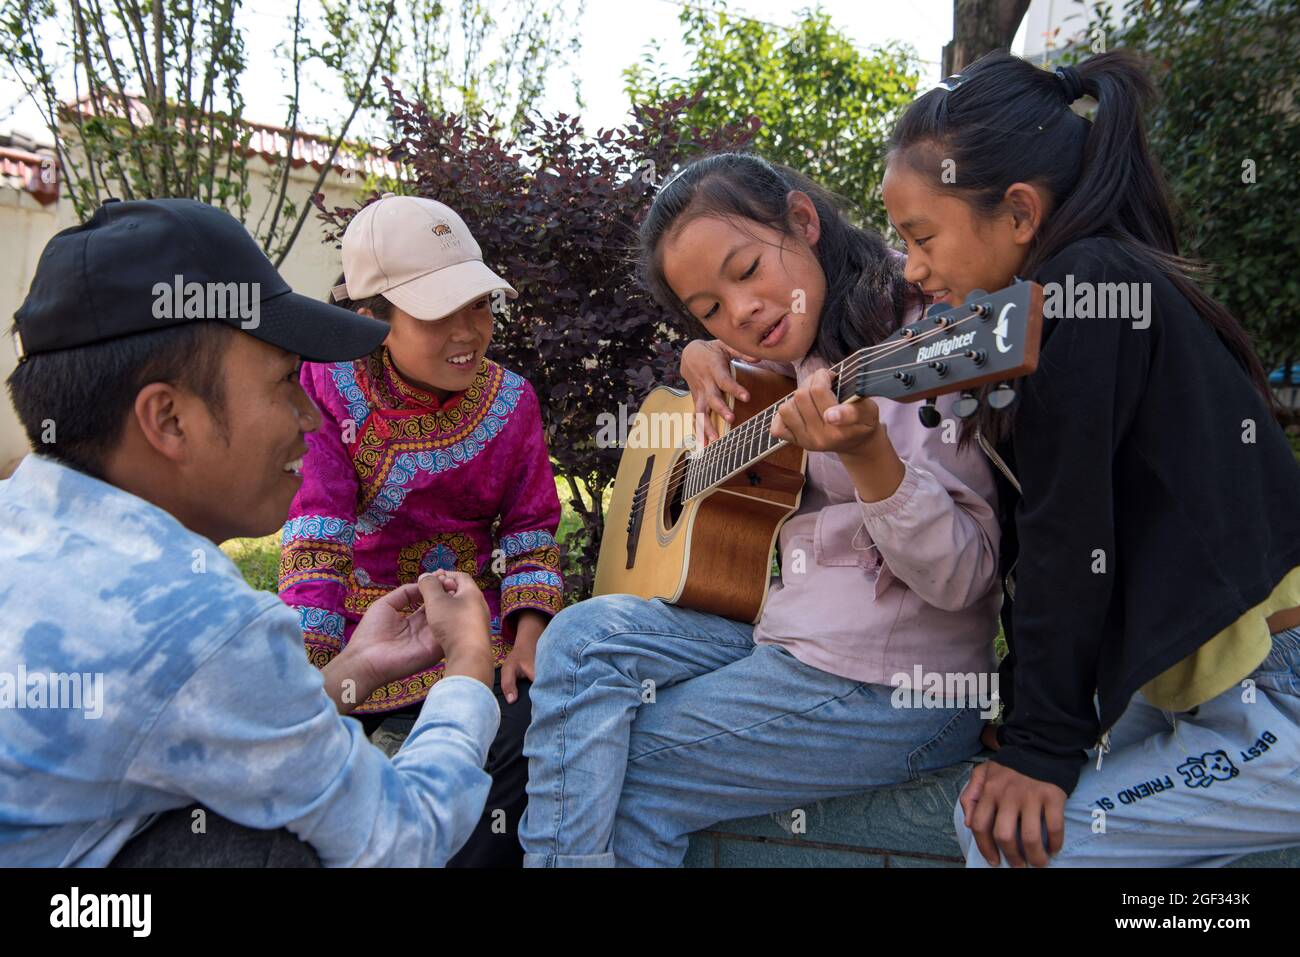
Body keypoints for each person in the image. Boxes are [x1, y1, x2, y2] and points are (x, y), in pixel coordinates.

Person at [519, 152, 1003, 867]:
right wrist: (698, 355)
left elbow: (966, 577)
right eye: (710, 307)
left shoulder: (926, 336)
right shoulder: (800, 342)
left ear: (804, 221)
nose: (741, 311)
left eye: (747, 271)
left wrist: (873, 461)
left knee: (620, 772)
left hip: (893, 686)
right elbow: (739, 378)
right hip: (791, 637)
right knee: (580, 638)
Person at [882, 50, 1300, 866]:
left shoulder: (1085, 283)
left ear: (1020, 213)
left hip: (1274, 690)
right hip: (1201, 680)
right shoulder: (1088, 289)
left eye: (922, 235)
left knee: (1006, 845)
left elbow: (1068, 531)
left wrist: (1040, 747)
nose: (915, 268)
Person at [1, 197, 499, 867]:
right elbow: (400, 838)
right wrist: (466, 668)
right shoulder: (198, 621)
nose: (310, 416)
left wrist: (352, 672)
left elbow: (191, 714)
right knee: (274, 847)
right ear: (169, 419)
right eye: (286, 382)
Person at [279, 193, 563, 866]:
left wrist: (526, 640)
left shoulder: (512, 400)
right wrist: (315, 677)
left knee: (523, 744)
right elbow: (317, 538)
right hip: (362, 639)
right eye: (439, 312)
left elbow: (530, 527)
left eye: (479, 304)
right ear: (371, 318)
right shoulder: (326, 386)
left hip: (479, 636)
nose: (468, 330)